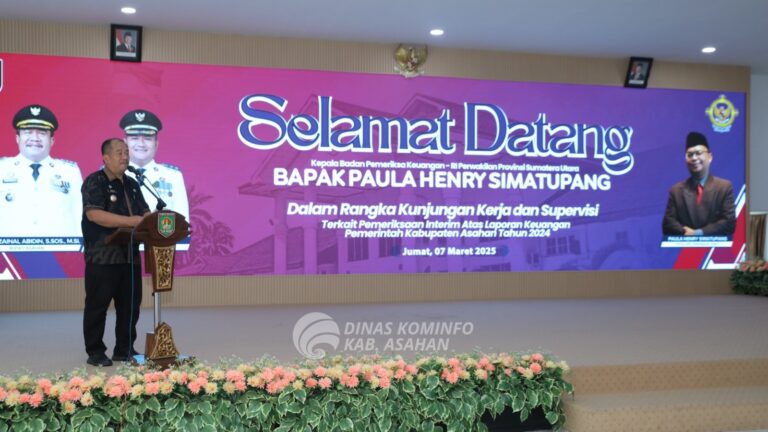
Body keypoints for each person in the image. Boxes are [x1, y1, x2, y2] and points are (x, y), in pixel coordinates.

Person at [81, 138, 150, 367]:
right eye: (119, 152)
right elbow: (94, 214)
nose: (125, 157)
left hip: (130, 256)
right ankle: (95, 352)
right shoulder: (95, 181)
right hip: (103, 256)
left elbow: (144, 213)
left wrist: (154, 220)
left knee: (130, 306)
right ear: (106, 157)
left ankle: (124, 349)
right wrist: (131, 221)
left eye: (126, 152)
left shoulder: (132, 184)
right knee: (98, 306)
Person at [0, 104, 83, 238]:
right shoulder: (2, 169)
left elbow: (80, 216)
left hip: (60, 250)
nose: (35, 138)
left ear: (52, 140)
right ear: (17, 138)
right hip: (8, 250)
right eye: (28, 132)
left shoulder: (69, 172)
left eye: (42, 133)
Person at [662, 131, 736, 236]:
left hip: (715, 245)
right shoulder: (676, 190)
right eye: (690, 155)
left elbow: (729, 223)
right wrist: (686, 232)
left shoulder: (724, 187)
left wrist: (698, 233)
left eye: (698, 153)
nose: (694, 158)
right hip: (685, 245)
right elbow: (668, 223)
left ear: (710, 157)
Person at [120, 109, 189, 218]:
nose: (141, 144)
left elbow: (183, 221)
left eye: (147, 139)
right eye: (134, 138)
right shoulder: (108, 174)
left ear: (156, 144)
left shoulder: (173, 177)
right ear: (124, 143)